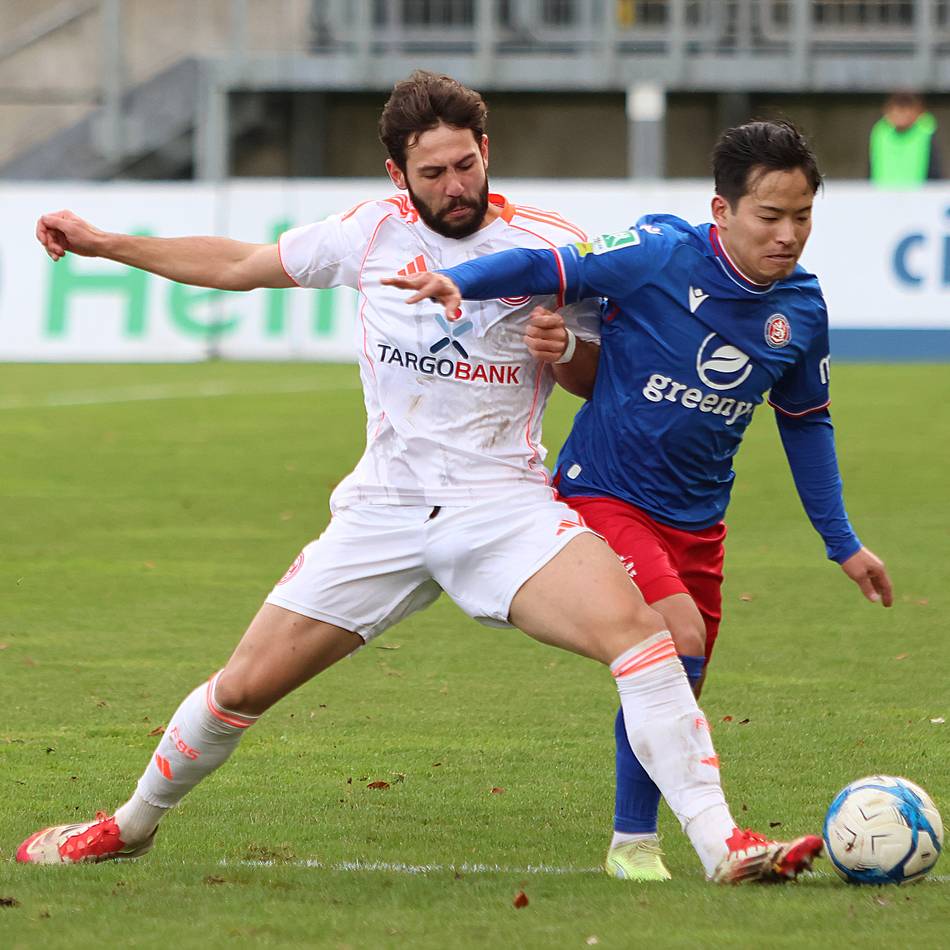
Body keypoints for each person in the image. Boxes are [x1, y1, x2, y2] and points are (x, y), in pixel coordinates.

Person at [17, 73, 821, 884]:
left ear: (485, 152)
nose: (456, 186)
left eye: (466, 165)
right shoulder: (368, 233)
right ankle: (130, 824)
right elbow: (239, 263)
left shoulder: (548, 242)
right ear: (398, 176)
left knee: (642, 639)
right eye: (433, 173)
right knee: (240, 688)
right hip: (383, 510)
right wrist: (109, 243)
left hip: (504, 509)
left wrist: (564, 351)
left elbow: (598, 378)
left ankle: (724, 846)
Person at [384, 118, 892, 881]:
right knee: (674, 635)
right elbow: (548, 262)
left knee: (676, 677)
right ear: (722, 212)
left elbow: (805, 424)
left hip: (698, 521)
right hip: (606, 495)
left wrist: (841, 540)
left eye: (803, 217)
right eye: (770, 217)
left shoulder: (803, 312)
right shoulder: (658, 254)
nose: (788, 235)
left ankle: (632, 842)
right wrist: (461, 279)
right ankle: (711, 844)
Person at [869, 92, 942, 185]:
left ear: (917, 112)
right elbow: (871, 168)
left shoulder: (926, 132)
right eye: (896, 110)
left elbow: (935, 171)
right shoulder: (880, 133)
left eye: (906, 110)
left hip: (919, 196)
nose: (901, 115)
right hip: (883, 195)